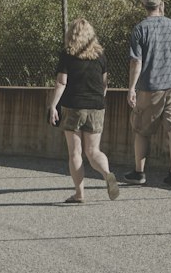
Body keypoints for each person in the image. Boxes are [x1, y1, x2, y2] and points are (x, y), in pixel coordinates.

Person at [47, 17, 120, 204]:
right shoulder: (101, 56)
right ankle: (107, 174)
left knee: (75, 153)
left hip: (73, 106)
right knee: (94, 151)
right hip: (96, 106)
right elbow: (104, 84)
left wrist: (53, 105)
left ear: (71, 34)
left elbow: (61, 82)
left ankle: (79, 194)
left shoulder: (67, 55)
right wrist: (98, 99)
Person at [125, 0, 171, 187]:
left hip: (150, 87)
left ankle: (139, 172)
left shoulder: (140, 29)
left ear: (143, 6)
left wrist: (131, 88)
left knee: (142, 130)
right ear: (161, 4)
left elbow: (136, 62)